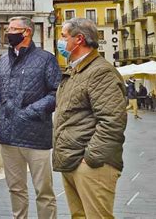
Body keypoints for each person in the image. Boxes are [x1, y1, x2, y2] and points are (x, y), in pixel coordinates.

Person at [53, 18, 127, 218]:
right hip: (72, 161)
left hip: (90, 164)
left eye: (64, 36)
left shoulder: (100, 71)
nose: (60, 41)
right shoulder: (75, 70)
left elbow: (112, 120)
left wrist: (90, 159)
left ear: (79, 39)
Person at [0, 16, 61, 219]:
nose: (8, 32)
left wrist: (30, 112)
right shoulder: (3, 60)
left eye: (12, 29)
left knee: (44, 192)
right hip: (8, 135)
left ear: (27, 32)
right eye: (8, 28)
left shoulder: (46, 59)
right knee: (15, 189)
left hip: (36, 136)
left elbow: (56, 93)